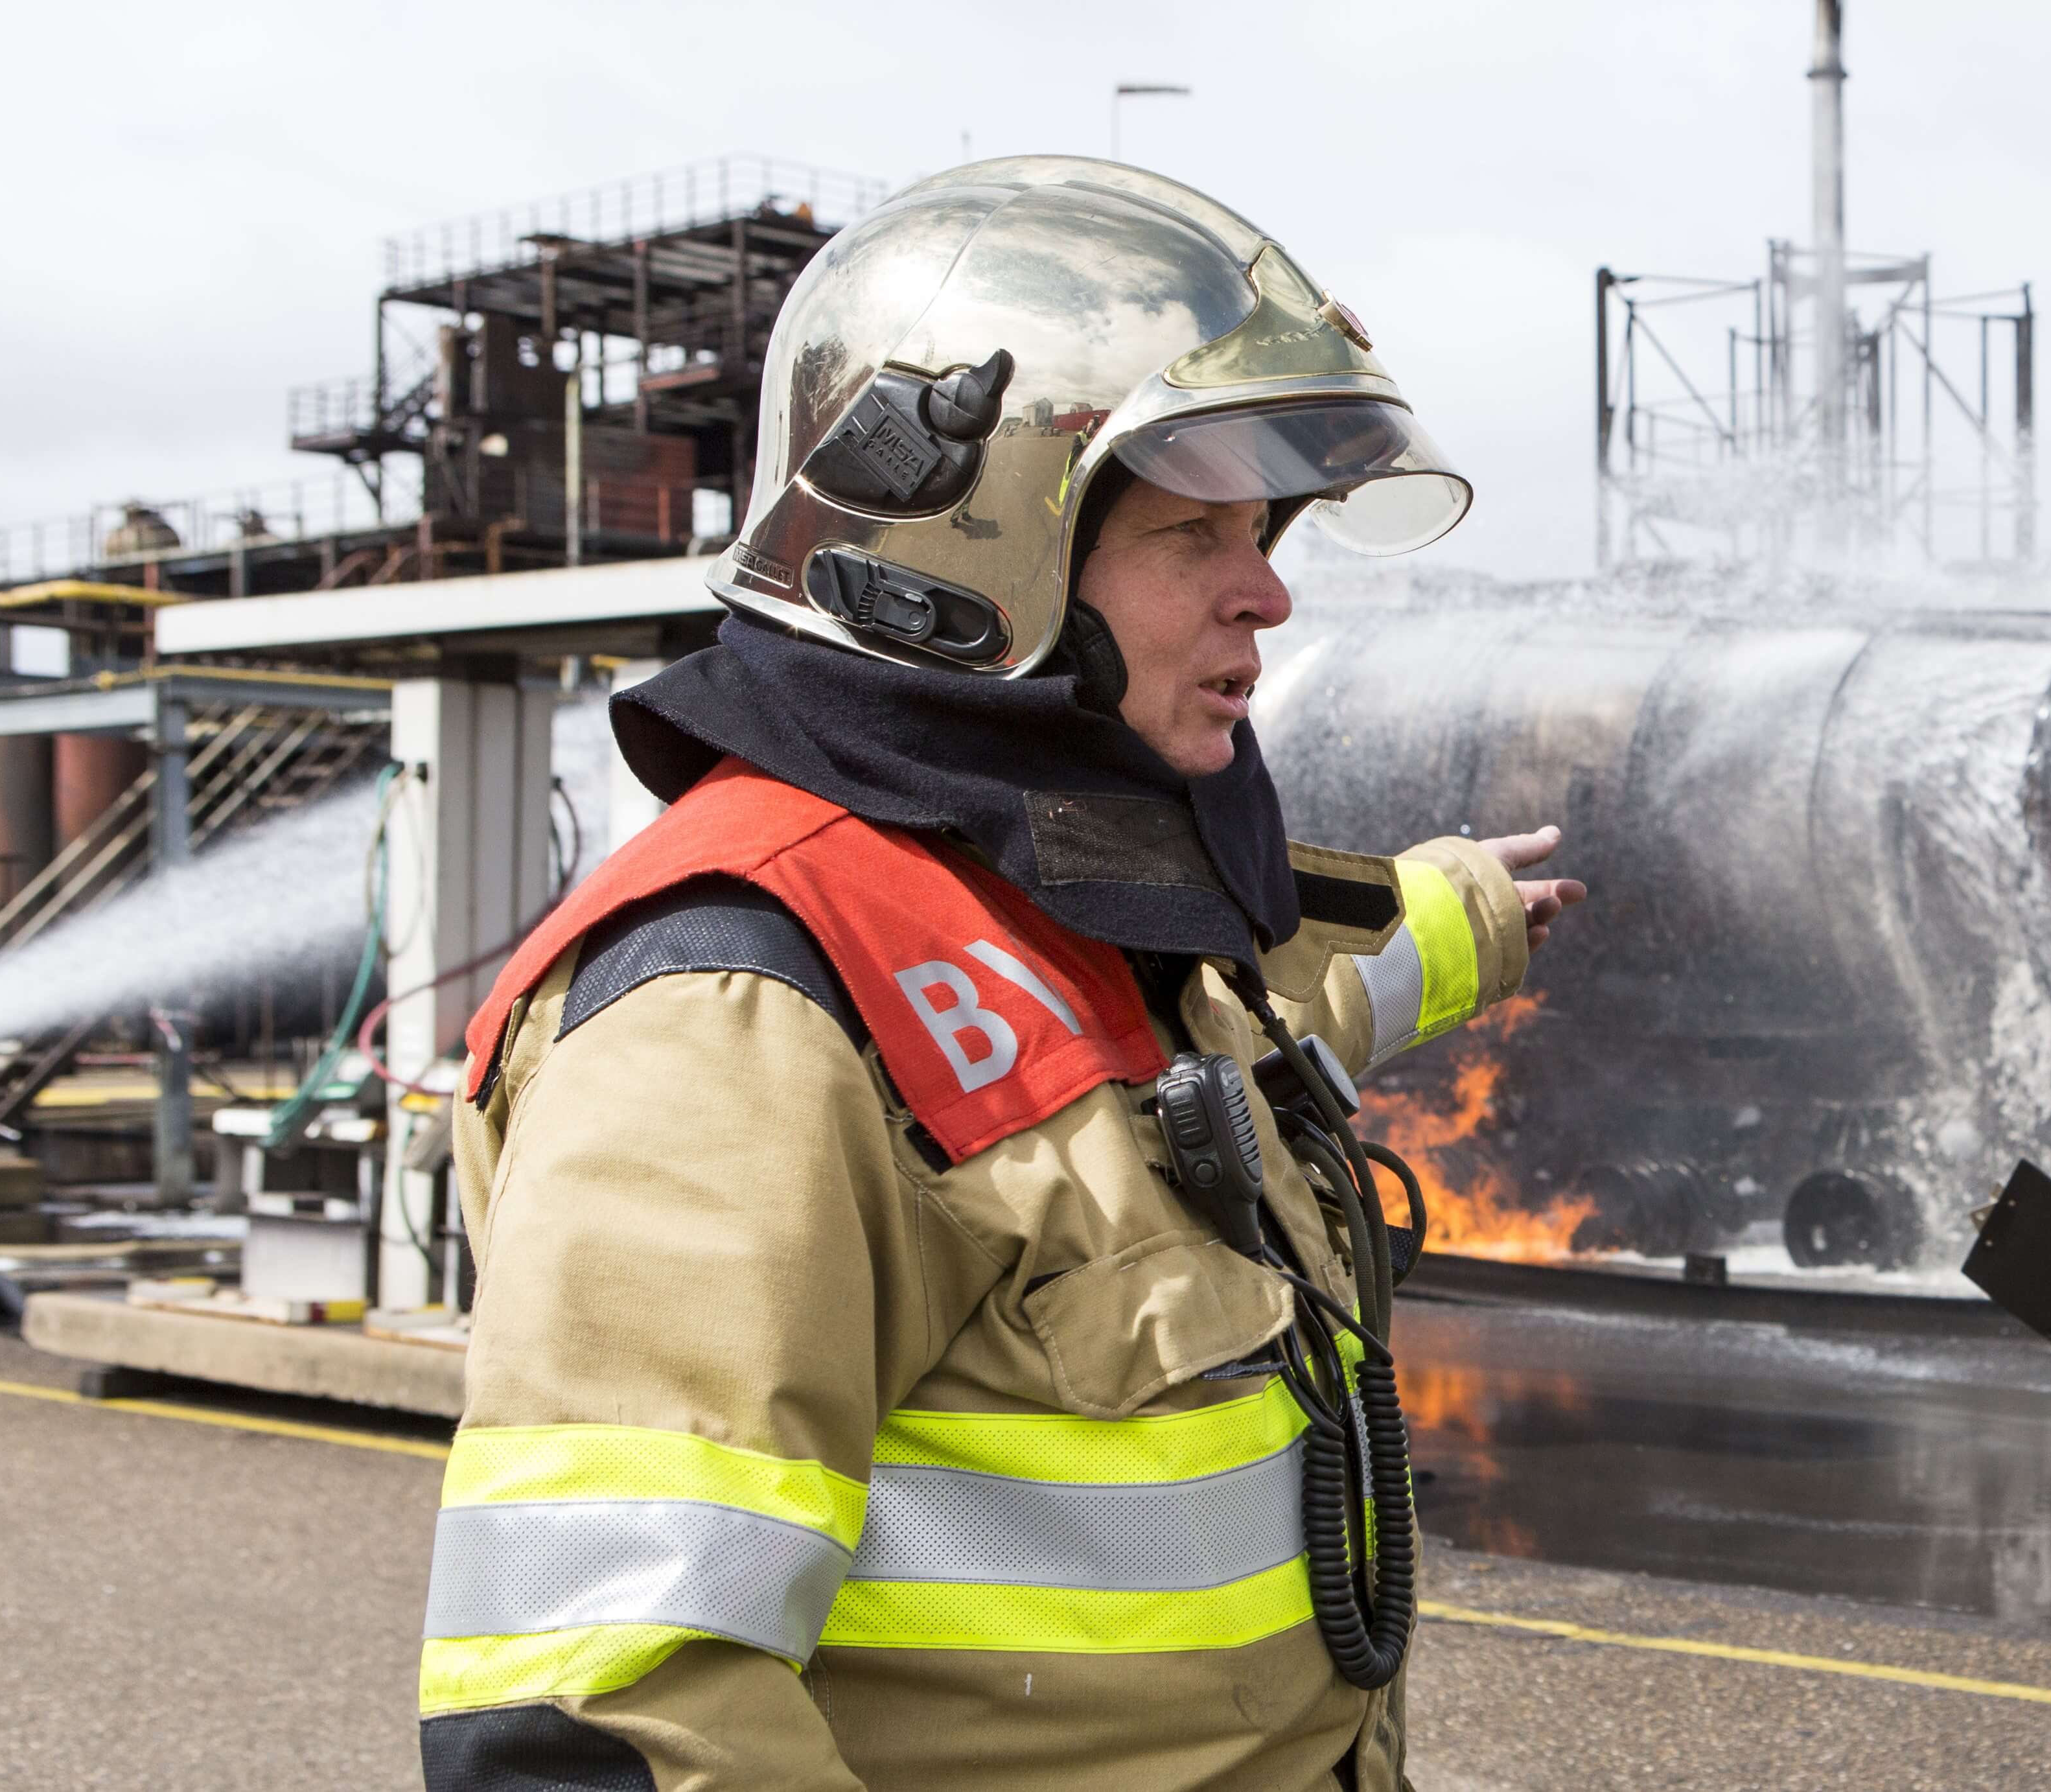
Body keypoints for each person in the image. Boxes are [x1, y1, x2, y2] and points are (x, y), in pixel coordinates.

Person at [413, 159, 1584, 1791]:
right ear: (971, 565)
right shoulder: (732, 1015)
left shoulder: (1064, 917)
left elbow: (1195, 1080)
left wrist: (1458, 922)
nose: (1268, 590)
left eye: (1263, 531)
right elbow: (602, 1730)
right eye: (1195, 534)